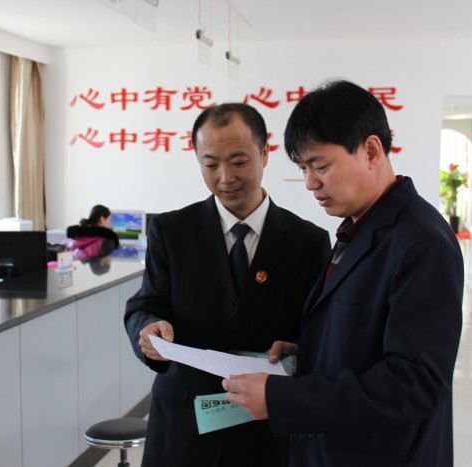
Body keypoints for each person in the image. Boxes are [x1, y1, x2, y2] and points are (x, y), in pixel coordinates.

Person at [223, 79, 464, 467]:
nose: (310, 183)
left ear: (371, 151)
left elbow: (416, 382)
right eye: (303, 169)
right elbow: (366, 336)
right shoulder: (360, 225)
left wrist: (282, 398)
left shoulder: (420, 241)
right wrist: (309, 353)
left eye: (320, 166)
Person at [124, 103, 331, 467]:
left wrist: (300, 349)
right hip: (184, 422)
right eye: (210, 164)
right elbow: (147, 303)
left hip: (266, 425)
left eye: (238, 162)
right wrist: (149, 328)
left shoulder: (308, 241)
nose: (225, 177)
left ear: (265, 154)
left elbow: (319, 329)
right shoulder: (171, 232)